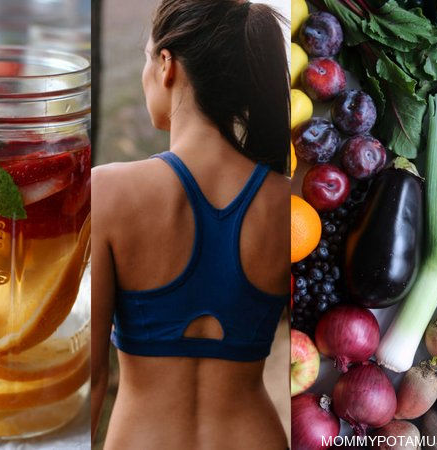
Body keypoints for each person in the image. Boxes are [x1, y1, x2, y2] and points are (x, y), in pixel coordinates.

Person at [91, 0, 290, 448]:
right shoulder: (287, 202)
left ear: (166, 65)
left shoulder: (107, 192)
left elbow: (89, 379)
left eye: (146, 56)